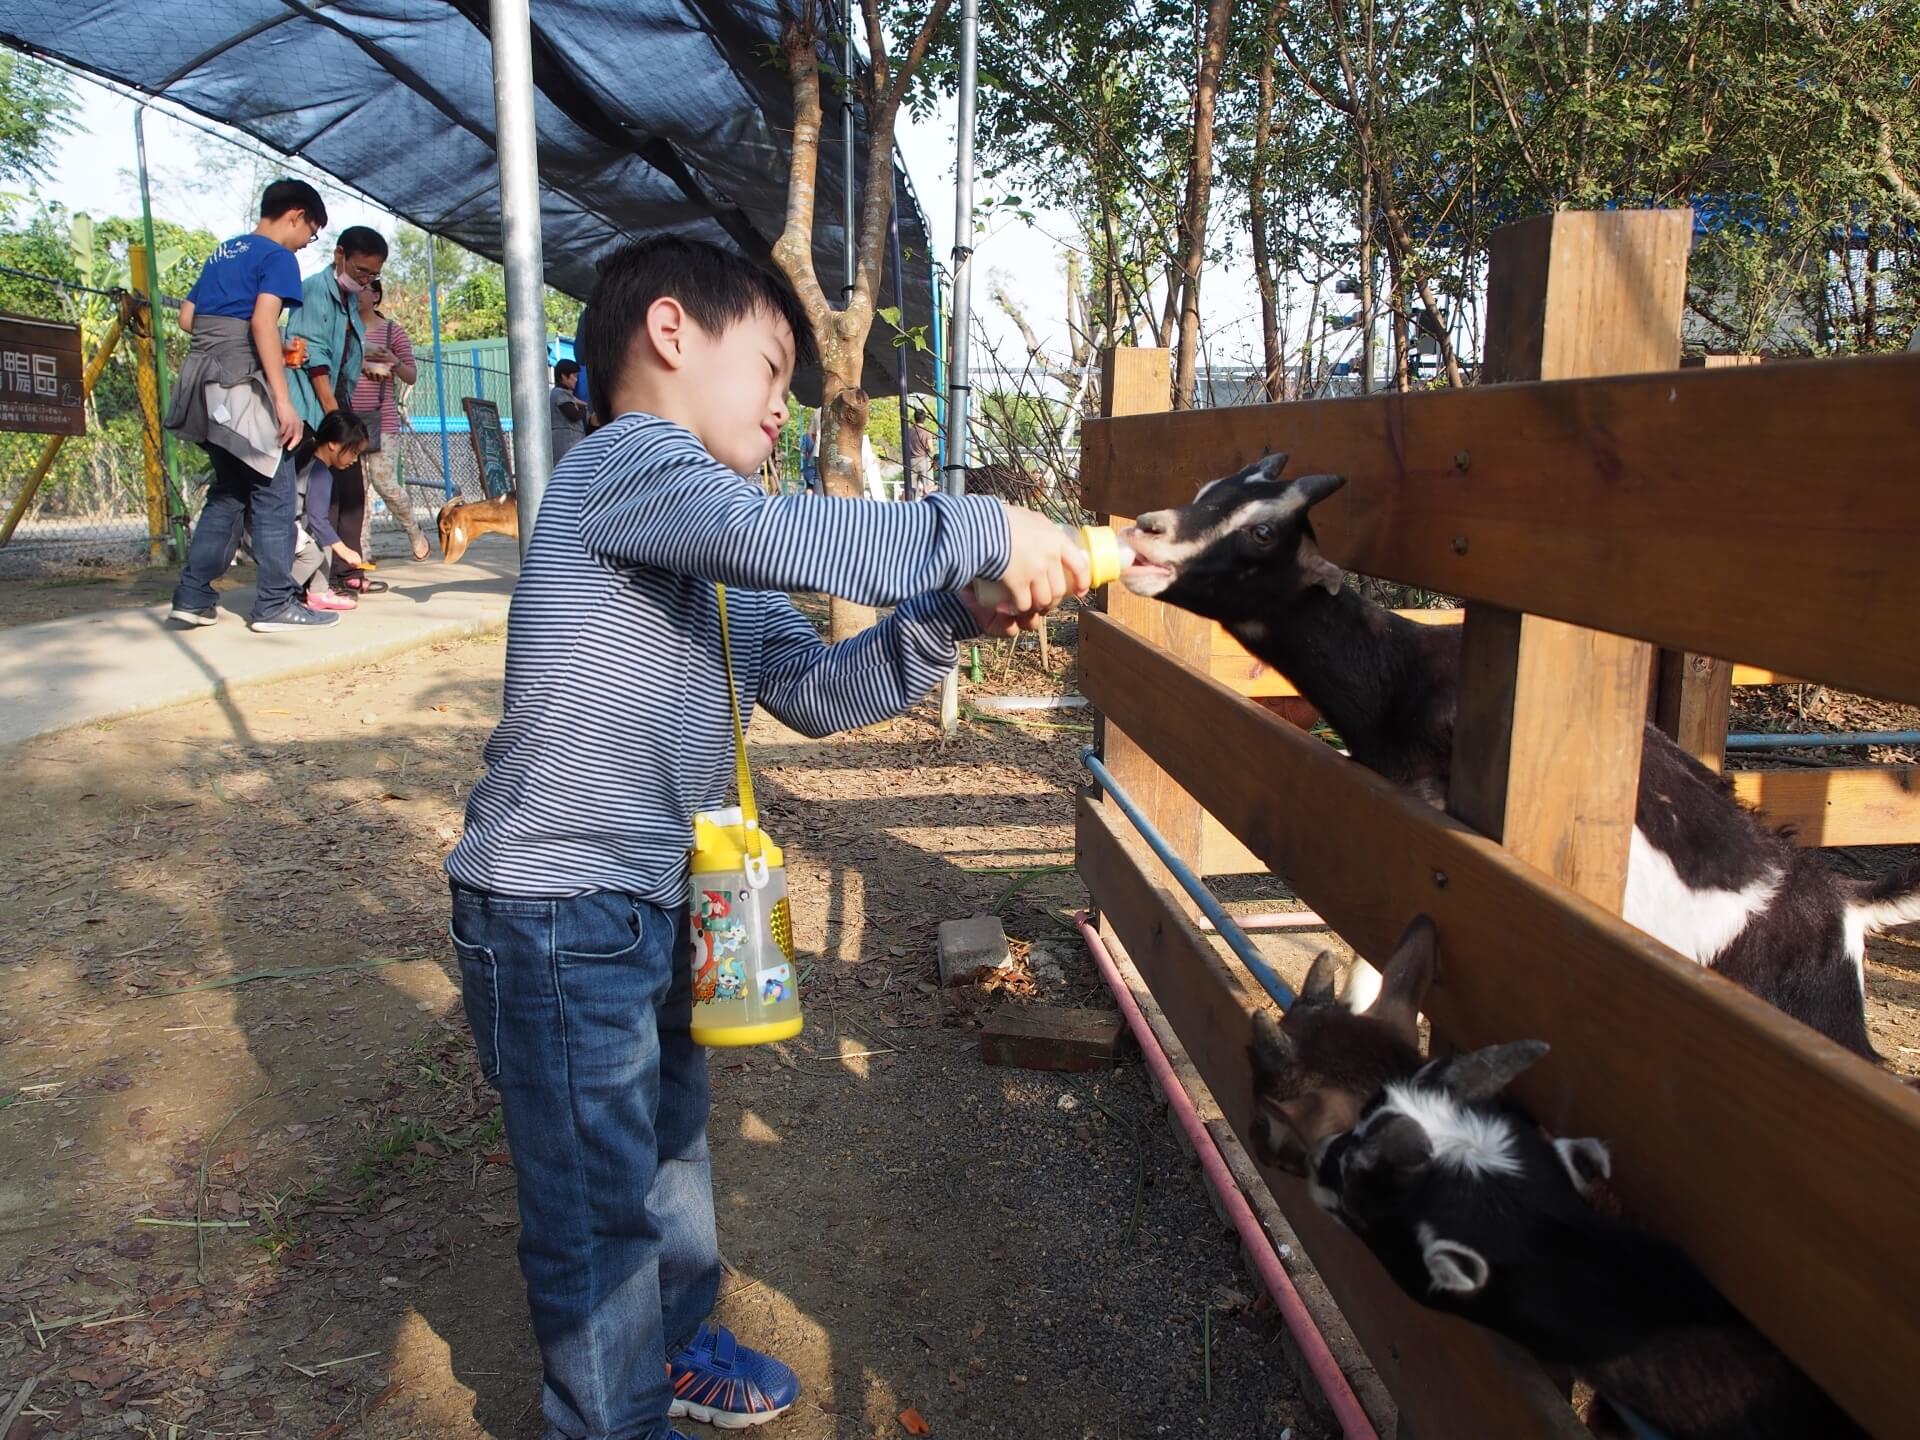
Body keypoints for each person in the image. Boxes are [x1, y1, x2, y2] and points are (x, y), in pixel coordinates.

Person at [442, 235, 1088, 1440]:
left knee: (671, 1148)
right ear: (672, 335)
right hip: (556, 907)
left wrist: (949, 611)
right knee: (594, 1205)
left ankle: (677, 1349)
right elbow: (801, 535)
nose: (785, 403)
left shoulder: (712, 549)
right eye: (774, 367)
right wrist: (982, 526)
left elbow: (816, 691)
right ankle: (607, 1419)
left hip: (652, 901)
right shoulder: (628, 467)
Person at [165, 177, 339, 633]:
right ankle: (275, 605)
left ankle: (192, 596)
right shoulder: (277, 257)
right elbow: (264, 321)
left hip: (200, 384)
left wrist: (233, 342)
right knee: (275, 490)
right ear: (297, 216)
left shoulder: (224, 251)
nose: (306, 245)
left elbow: (188, 318)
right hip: (239, 384)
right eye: (312, 233)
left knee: (230, 491)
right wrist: (283, 401)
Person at [287, 225, 387, 593]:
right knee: (321, 495)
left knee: (351, 490)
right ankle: (319, 578)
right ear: (339, 255)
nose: (365, 280)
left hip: (337, 403)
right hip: (315, 408)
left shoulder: (349, 300)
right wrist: (333, 416)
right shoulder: (315, 289)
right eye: (361, 270)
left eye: (373, 275)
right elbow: (312, 355)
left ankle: (349, 570)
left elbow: (341, 351)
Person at [348, 277, 431, 561]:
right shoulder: (344, 328)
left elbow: (412, 375)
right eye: (355, 287)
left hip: (382, 420)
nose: (358, 292)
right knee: (357, 491)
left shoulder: (392, 332)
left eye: (365, 288)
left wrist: (393, 361)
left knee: (384, 482)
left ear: (376, 295)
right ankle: (362, 554)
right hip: (349, 421)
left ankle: (413, 529)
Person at [290, 409, 373, 611]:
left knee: (324, 541)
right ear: (333, 444)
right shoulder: (320, 474)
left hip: (291, 530)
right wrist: (344, 550)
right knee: (314, 553)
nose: (354, 460)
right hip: (283, 531)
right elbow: (318, 520)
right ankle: (280, 593)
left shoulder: (312, 464)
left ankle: (318, 592)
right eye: (353, 452)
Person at [550, 358, 589, 465]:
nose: (576, 380)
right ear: (564, 376)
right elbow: (574, 415)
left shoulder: (565, 395)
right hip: (565, 446)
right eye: (574, 376)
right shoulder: (559, 394)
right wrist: (584, 409)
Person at [906, 407, 936, 499]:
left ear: (915, 418)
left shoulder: (909, 432)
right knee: (928, 488)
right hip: (924, 461)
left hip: (911, 461)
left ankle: (911, 508)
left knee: (912, 488)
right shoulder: (926, 432)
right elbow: (931, 449)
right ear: (925, 418)